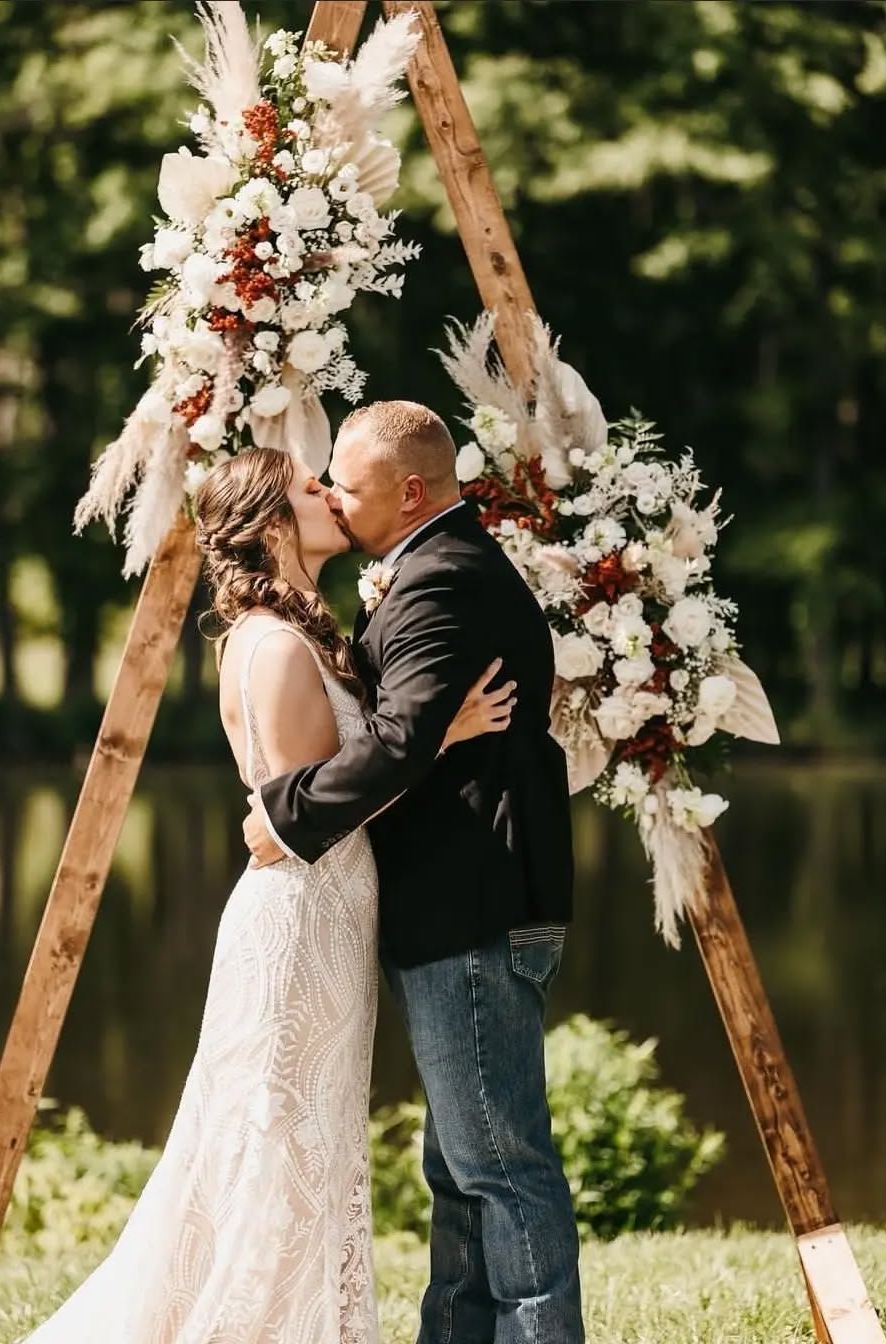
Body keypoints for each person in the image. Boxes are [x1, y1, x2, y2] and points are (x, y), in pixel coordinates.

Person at [19, 444, 512, 1344]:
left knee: (303, 1140)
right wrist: (443, 738)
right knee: (279, 1145)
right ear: (274, 521)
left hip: (328, 917)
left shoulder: (298, 627)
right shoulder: (277, 645)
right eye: (308, 488)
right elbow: (313, 806)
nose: (329, 495)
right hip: (298, 924)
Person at [244, 401, 584, 1344]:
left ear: (409, 491)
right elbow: (415, 732)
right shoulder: (430, 568)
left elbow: (396, 743)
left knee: (499, 1166)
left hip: (471, 904)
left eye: (345, 487)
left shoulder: (439, 581)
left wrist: (285, 815)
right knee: (459, 1167)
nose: (334, 503)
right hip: (460, 904)